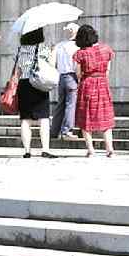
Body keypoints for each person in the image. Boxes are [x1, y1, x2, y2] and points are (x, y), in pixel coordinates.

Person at [72, 24, 116, 157]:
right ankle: (110, 149)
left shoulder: (81, 54)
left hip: (87, 85)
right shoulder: (106, 50)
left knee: (85, 117)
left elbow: (78, 74)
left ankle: (91, 150)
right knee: (105, 117)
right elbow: (108, 70)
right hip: (102, 84)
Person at [14, 28, 58, 158]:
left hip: (24, 84)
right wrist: (53, 51)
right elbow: (51, 65)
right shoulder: (43, 48)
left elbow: (18, 71)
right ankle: (45, 149)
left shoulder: (20, 50)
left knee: (25, 119)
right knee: (43, 118)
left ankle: (27, 151)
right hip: (39, 83)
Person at [51, 23, 81, 142]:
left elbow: (52, 63)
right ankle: (67, 131)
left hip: (61, 76)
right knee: (70, 104)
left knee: (60, 104)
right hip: (72, 76)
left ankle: (54, 130)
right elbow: (77, 67)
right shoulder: (77, 47)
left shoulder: (59, 45)